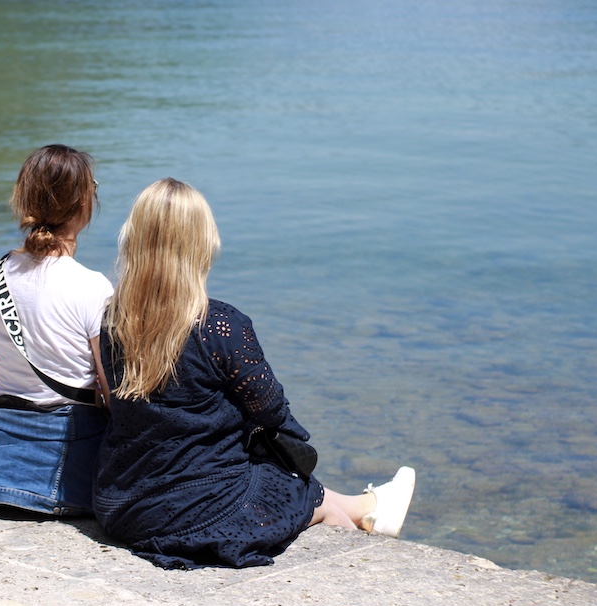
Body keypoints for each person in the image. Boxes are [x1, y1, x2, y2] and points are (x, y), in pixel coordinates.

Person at [94, 178, 416, 569]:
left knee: (306, 492)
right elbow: (271, 410)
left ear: (133, 240)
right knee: (305, 493)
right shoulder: (220, 326)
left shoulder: (113, 320)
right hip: (198, 508)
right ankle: (369, 535)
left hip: (123, 504)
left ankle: (372, 508)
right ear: (200, 244)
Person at [0, 144, 113, 515]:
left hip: (5, 438)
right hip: (69, 445)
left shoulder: (0, 272)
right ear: (84, 203)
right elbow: (109, 389)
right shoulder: (94, 287)